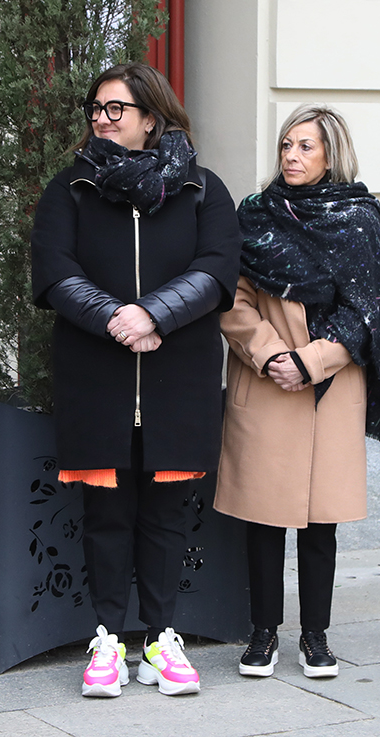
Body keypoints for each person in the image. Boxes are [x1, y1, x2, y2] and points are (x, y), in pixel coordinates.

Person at [30, 63, 240, 698]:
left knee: (168, 517)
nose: (100, 118)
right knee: (106, 515)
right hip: (98, 375)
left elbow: (217, 268)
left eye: (115, 108)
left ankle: (161, 640)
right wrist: (116, 318)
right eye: (95, 107)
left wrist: (156, 314)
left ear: (152, 118)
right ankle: (105, 641)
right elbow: (53, 270)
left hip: (177, 379)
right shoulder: (70, 188)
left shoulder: (202, 190)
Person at [216, 105, 380, 680]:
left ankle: (315, 637)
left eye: (306, 146)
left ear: (332, 154)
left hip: (331, 384)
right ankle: (261, 636)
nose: (291, 156)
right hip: (266, 381)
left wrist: (312, 361)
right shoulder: (254, 216)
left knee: (320, 522)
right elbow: (232, 298)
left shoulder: (359, 219)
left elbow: (372, 310)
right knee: (262, 518)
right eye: (286, 145)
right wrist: (271, 355)